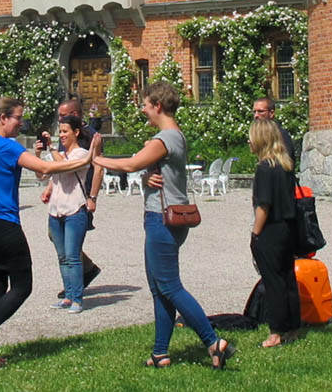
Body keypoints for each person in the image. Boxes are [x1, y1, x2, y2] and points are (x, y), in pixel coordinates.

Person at [92, 82, 235, 369]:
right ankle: (160, 353)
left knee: (169, 286)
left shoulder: (165, 138)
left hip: (162, 219)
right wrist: (148, 178)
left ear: (157, 105)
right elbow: (155, 172)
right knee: (159, 287)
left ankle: (212, 342)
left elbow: (131, 165)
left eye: (145, 104)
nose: (143, 109)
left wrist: (94, 158)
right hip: (168, 216)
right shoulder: (172, 137)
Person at [0, 97, 98, 370]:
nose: (21, 122)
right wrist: (87, 160)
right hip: (1, 222)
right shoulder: (7, 146)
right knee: (23, 285)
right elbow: (45, 169)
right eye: (17, 117)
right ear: (3, 118)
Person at [37, 99, 103, 296]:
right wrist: (51, 185)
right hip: (62, 193)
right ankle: (83, 272)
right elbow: (60, 166)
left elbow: (97, 167)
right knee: (59, 238)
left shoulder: (89, 136)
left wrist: (93, 196)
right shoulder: (66, 132)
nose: (60, 121)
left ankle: (75, 284)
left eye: (62, 116)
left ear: (74, 115)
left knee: (71, 244)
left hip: (80, 193)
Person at [248, 118, 301, 347]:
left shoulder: (264, 169)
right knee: (288, 278)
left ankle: (276, 331)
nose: (249, 142)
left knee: (273, 282)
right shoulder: (284, 165)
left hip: (270, 229)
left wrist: (255, 234)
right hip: (288, 228)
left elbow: (263, 206)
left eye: (251, 137)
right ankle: (293, 327)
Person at [39, 115, 91, 314]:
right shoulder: (56, 153)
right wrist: (37, 154)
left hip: (75, 209)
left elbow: (65, 167)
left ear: (76, 133)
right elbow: (41, 174)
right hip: (55, 210)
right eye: (59, 132)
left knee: (72, 255)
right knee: (62, 257)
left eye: (65, 132)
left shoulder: (82, 154)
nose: (61, 135)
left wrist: (51, 149)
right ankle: (68, 296)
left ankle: (77, 298)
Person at [252, 97, 296, 165]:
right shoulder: (260, 135)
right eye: (254, 112)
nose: (256, 115)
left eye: (261, 111)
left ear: (271, 113)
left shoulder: (281, 135)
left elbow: (285, 163)